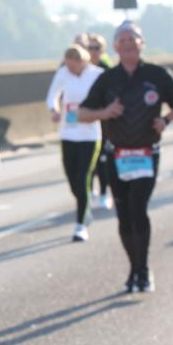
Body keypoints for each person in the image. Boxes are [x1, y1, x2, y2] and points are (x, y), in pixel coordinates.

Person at [79, 22, 173, 293]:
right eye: (122, 40)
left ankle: (143, 269)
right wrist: (106, 113)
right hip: (116, 155)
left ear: (142, 44)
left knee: (138, 209)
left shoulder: (156, 74)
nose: (128, 44)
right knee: (124, 216)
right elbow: (82, 113)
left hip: (146, 153)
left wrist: (165, 120)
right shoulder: (108, 78)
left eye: (133, 39)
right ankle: (133, 268)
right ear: (116, 47)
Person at [46, 45, 104, 241]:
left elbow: (106, 98)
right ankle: (85, 208)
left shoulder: (97, 74)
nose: (70, 69)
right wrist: (54, 110)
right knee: (73, 180)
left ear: (82, 62)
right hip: (68, 132)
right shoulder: (63, 73)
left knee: (82, 178)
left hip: (89, 134)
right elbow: (52, 95)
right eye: (68, 65)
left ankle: (80, 225)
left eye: (73, 66)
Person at [85, 34, 114, 210]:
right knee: (88, 162)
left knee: (102, 160)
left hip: (103, 122)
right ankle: (88, 193)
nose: (93, 51)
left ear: (102, 51)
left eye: (96, 48)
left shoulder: (107, 71)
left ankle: (104, 193)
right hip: (85, 121)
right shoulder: (82, 69)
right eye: (90, 48)